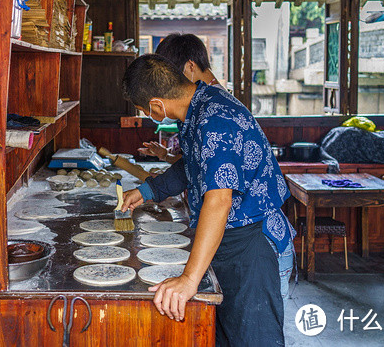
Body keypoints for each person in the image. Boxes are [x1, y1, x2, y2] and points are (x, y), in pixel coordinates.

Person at [121, 54, 293, 347]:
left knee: (252, 337)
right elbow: (192, 165)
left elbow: (219, 200)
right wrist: (148, 191)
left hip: (252, 243)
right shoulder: (199, 107)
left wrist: (188, 279)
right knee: (225, 333)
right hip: (229, 238)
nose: (148, 115)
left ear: (156, 106)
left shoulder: (215, 120)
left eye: (143, 111)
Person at [139, 33, 222, 163]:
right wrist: (165, 155)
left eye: (171, 78)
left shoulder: (216, 110)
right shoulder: (196, 102)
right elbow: (192, 163)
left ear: (190, 66)